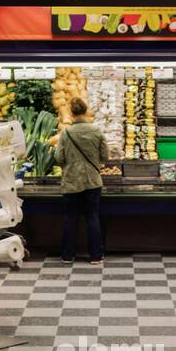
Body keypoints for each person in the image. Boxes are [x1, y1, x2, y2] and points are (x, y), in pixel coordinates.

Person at [54, 98, 110, 265]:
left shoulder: (66, 133)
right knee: (92, 218)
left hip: (71, 181)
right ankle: (96, 256)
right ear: (86, 111)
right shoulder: (96, 131)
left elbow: (58, 157)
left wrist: (70, 163)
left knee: (70, 219)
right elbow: (105, 157)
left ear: (71, 113)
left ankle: (67, 255)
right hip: (92, 181)